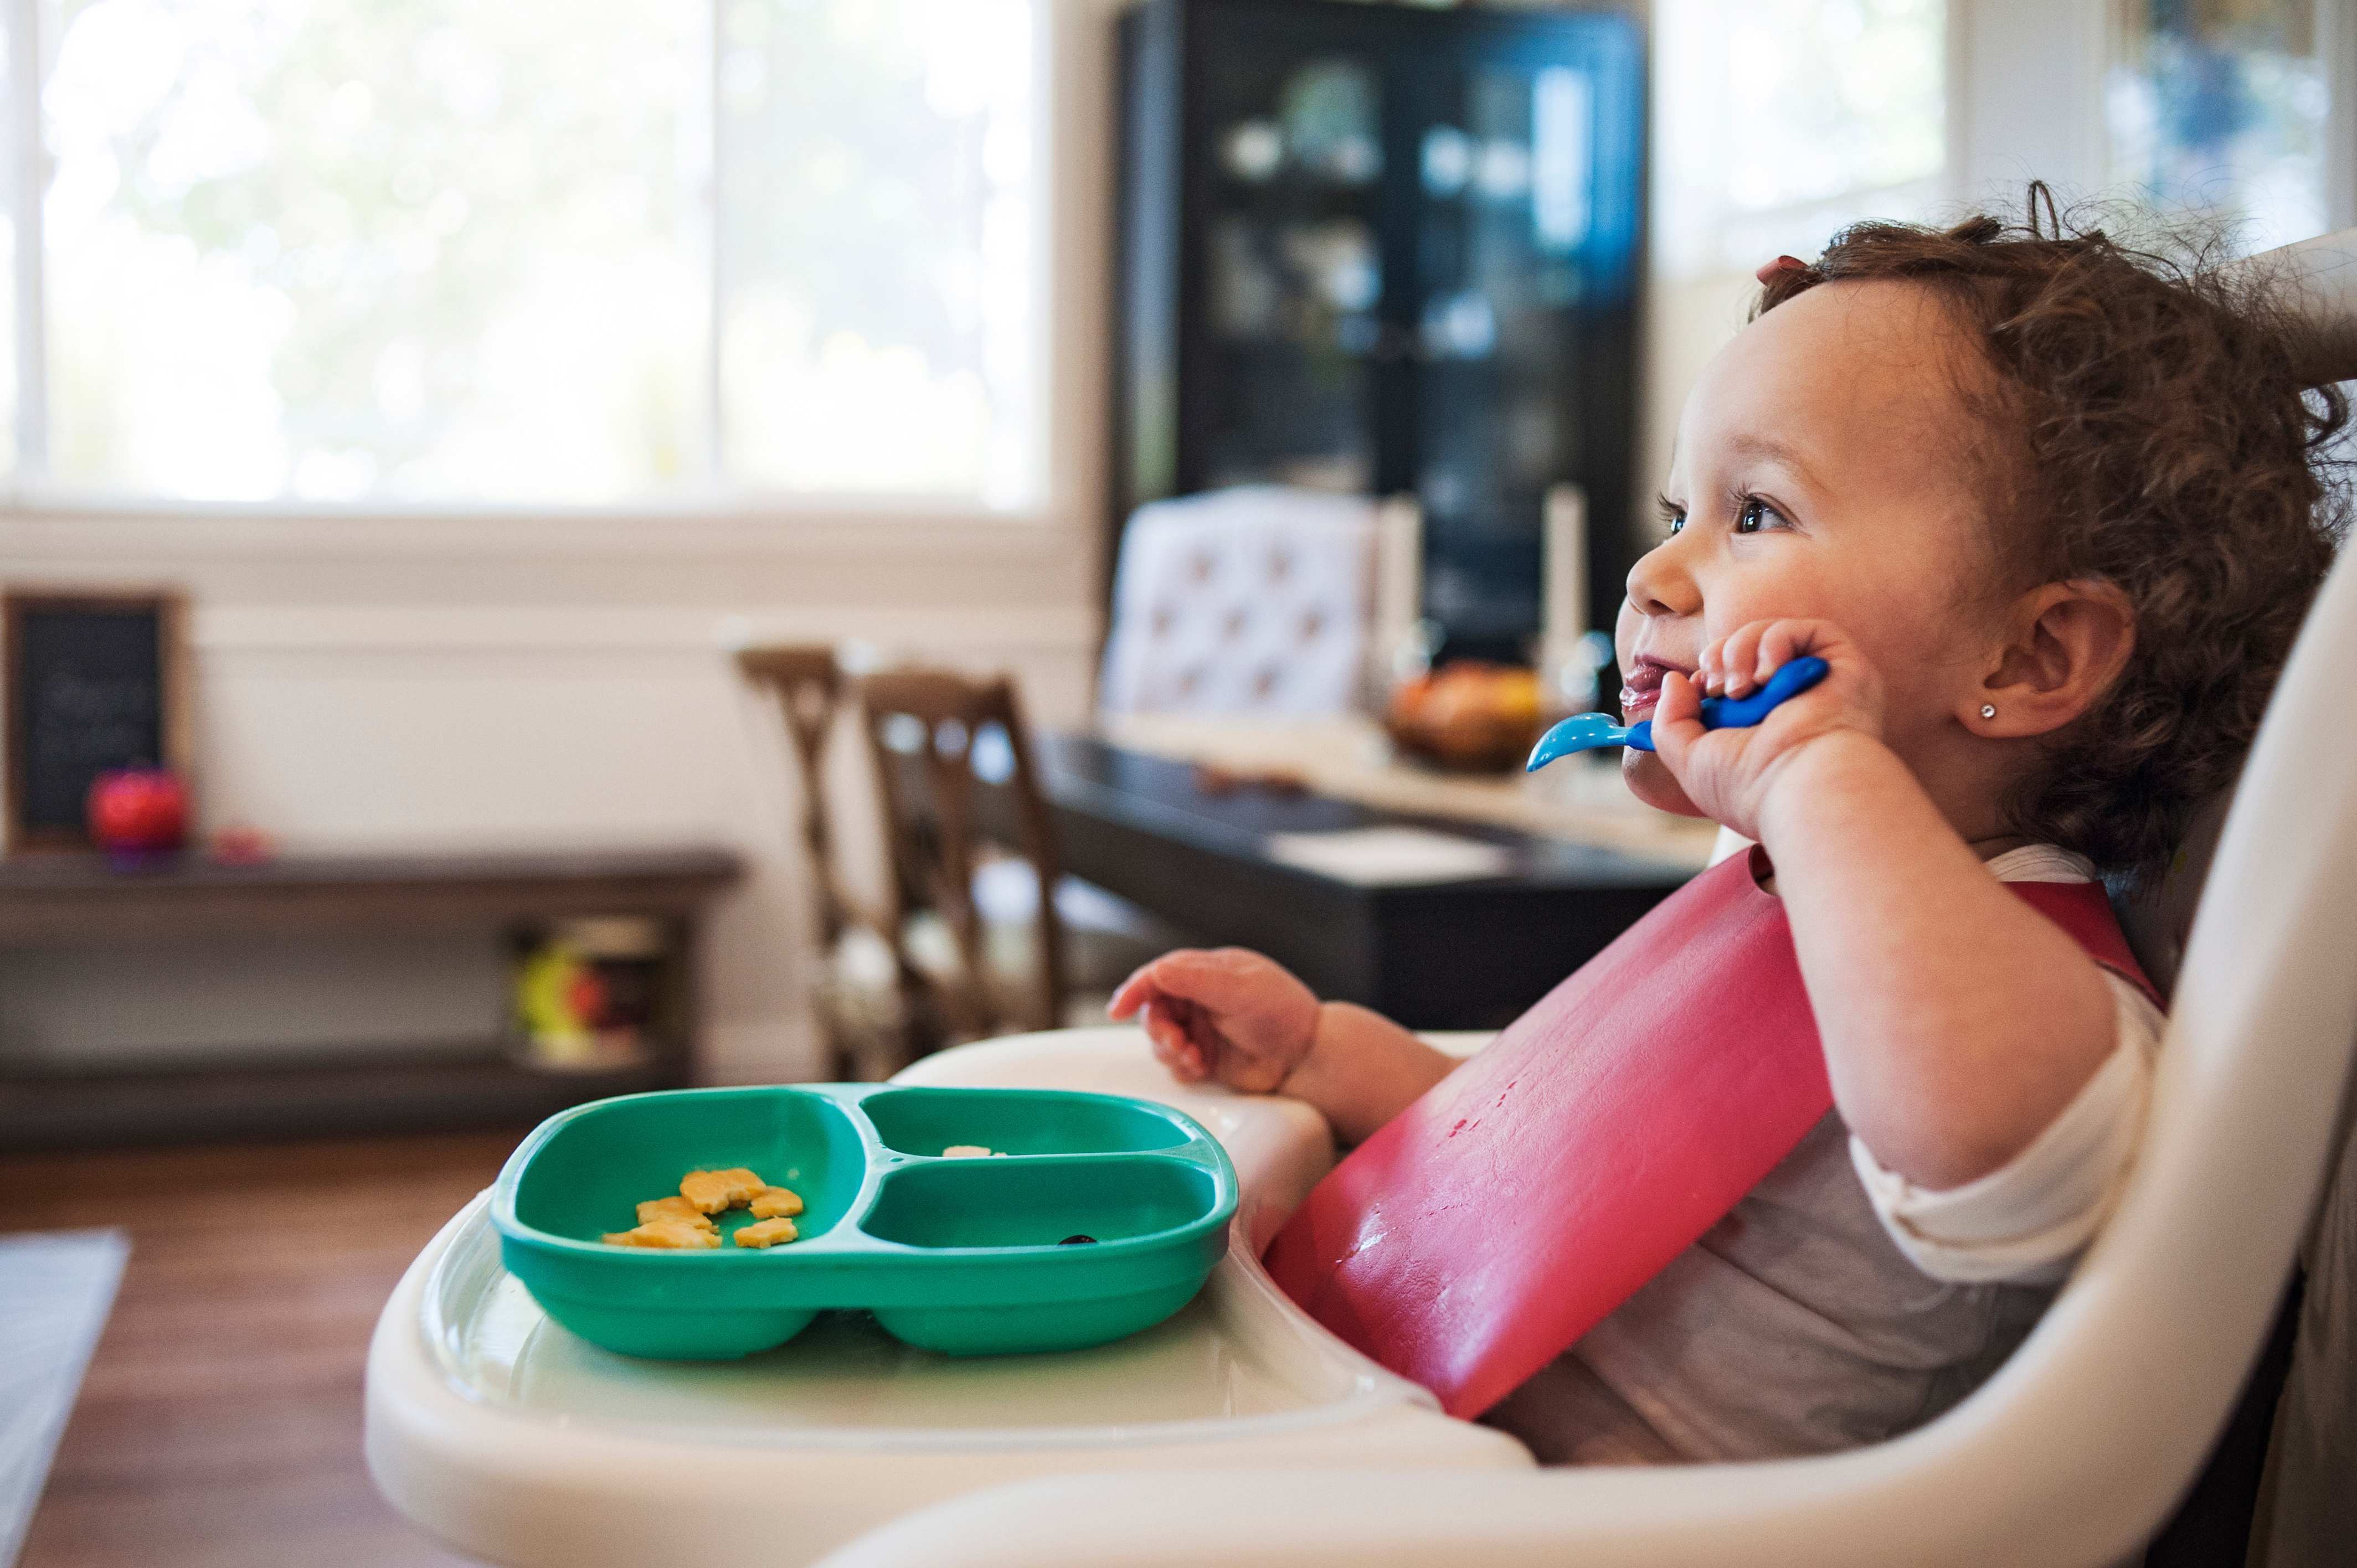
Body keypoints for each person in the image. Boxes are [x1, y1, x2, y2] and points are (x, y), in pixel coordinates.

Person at [1108, 204, 2349, 1464]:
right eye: (1676, 509)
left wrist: (1817, 776)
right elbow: (1553, 1165)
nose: (1654, 572)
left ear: (2031, 655)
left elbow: (1996, 1153)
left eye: (1754, 512)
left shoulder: (2022, 995)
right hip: (1383, 1445)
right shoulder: (1765, 885)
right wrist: (1326, 1056)